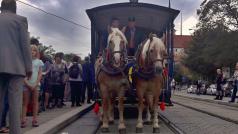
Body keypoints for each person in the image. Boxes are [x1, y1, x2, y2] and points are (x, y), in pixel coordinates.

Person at [0, 0, 32, 134]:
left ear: (1, 8)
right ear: (15, 8)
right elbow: (25, 45)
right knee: (15, 105)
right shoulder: (21, 20)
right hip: (16, 68)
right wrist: (29, 67)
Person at [21, 45, 44, 128]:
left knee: (35, 103)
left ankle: (35, 119)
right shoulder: (24, 61)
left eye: (34, 50)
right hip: (25, 84)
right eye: (31, 50)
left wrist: (35, 84)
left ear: (36, 52)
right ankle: (23, 120)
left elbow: (40, 74)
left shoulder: (39, 62)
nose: (32, 52)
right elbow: (22, 73)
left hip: (36, 85)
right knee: (25, 103)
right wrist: (27, 83)